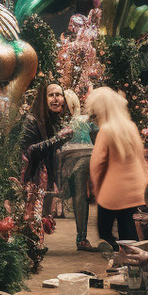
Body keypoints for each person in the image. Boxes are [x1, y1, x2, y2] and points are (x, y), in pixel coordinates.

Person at [85, 87, 148, 249]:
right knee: (129, 233)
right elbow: (141, 158)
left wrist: (95, 189)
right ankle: (131, 262)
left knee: (105, 233)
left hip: (112, 194)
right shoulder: (131, 126)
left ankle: (114, 255)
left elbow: (96, 165)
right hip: (135, 191)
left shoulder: (106, 131)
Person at [21, 80, 72, 217]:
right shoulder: (32, 120)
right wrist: (57, 138)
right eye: (51, 95)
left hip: (49, 184)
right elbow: (30, 151)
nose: (56, 98)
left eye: (59, 94)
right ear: (44, 99)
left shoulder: (57, 121)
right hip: (35, 183)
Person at [59, 88, 94, 251]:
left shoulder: (80, 121)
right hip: (65, 162)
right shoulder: (58, 121)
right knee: (77, 197)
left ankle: (81, 237)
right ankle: (81, 237)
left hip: (80, 161)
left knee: (79, 197)